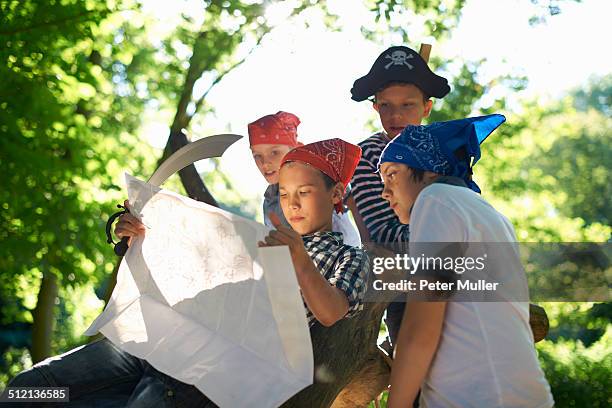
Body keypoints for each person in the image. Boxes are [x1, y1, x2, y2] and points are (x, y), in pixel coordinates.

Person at [7, 139, 369, 408]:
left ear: (335, 192)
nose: (292, 203)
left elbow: (331, 310)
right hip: (155, 342)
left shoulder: (348, 257)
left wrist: (299, 259)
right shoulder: (258, 238)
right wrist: (139, 235)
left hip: (204, 371)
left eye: (304, 192)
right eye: (285, 192)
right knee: (29, 390)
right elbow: (191, 266)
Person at [378, 114, 554, 408]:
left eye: (392, 173)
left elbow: (421, 328)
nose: (385, 192)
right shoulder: (487, 213)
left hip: (479, 396)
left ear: (430, 170)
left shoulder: (434, 200)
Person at [349, 45, 450, 347]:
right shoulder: (366, 155)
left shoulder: (445, 151)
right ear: (375, 107)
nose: (396, 115)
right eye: (386, 106)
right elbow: (383, 234)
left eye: (408, 105)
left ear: (426, 108)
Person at [249, 111, 361, 247]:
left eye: (274, 152)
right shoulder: (270, 198)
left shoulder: (318, 175)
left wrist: (369, 246)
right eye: (257, 155)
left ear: (294, 149)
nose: (265, 163)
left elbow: (352, 201)